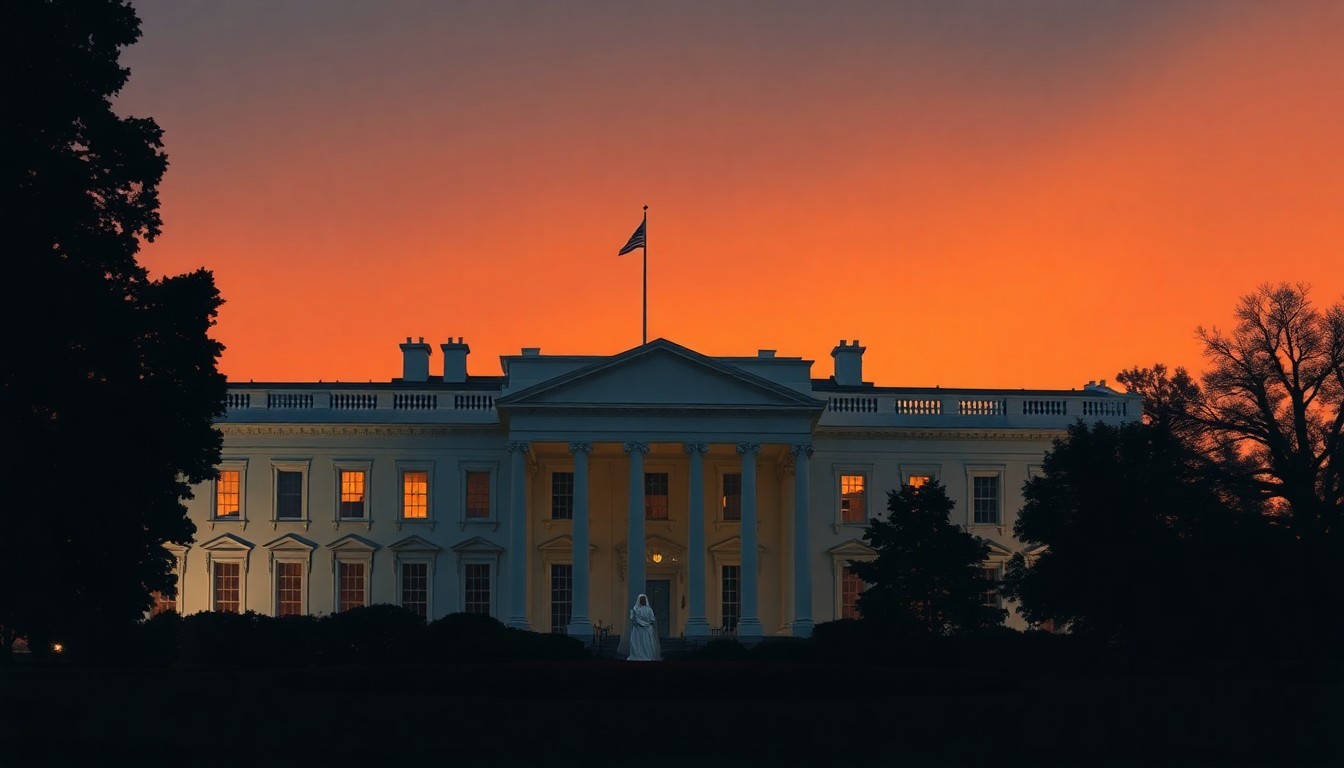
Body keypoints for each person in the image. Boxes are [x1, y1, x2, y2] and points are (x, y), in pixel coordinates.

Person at [625, 593, 662, 661]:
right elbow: (652, 620)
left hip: (637, 630)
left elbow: (632, 620)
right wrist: (647, 623)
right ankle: (647, 656)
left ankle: (638, 656)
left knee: (638, 645)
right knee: (647, 645)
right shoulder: (649, 610)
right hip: (647, 630)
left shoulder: (635, 609)